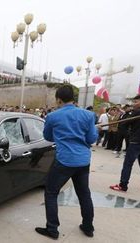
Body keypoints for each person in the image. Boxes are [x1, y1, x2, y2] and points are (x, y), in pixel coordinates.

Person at [36, 85, 98, 239]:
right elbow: (92, 139)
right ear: (73, 98)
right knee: (84, 194)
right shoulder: (88, 115)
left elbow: (48, 137)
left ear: (58, 99)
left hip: (64, 161)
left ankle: (52, 229)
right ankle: (88, 227)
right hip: (83, 161)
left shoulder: (52, 116)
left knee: (51, 193)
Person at [109, 95, 140, 192]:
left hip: (135, 141)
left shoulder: (137, 112)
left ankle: (123, 185)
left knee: (128, 163)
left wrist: (129, 134)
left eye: (136, 102)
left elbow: (124, 124)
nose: (134, 104)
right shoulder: (137, 112)